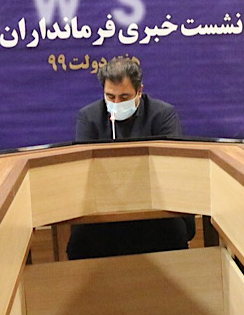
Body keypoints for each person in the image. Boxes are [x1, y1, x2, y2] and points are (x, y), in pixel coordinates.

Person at [67, 57, 194, 259]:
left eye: (124, 97)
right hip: (104, 209)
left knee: (174, 232)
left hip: (154, 206)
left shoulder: (163, 115)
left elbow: (171, 168)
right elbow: (86, 173)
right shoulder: (88, 117)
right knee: (79, 242)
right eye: (110, 96)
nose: (116, 103)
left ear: (139, 91)